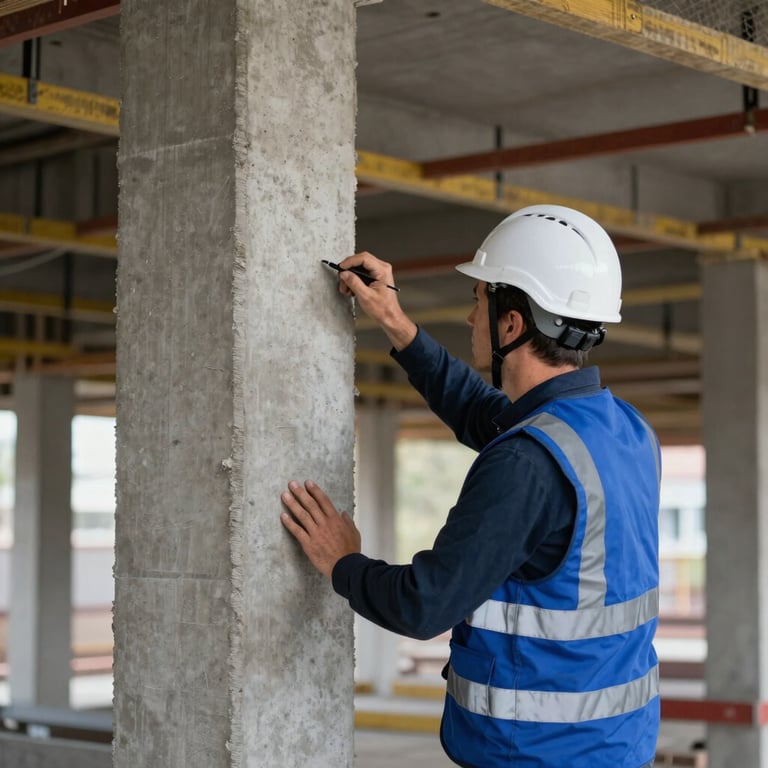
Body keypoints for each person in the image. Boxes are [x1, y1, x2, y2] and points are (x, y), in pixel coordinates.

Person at [280, 204, 661, 768]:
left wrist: (343, 562)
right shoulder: (624, 429)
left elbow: (423, 604)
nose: (469, 317)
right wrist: (396, 322)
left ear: (513, 323)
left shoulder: (526, 463)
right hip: (613, 745)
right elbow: (487, 413)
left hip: (535, 755)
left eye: (479, 301)